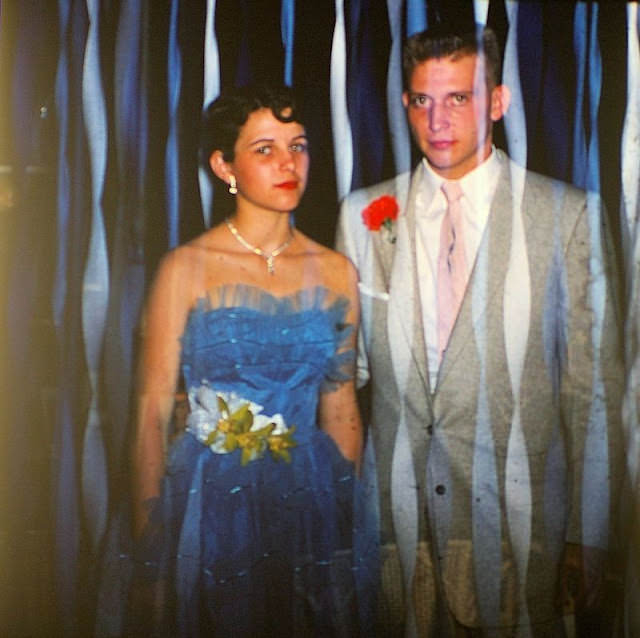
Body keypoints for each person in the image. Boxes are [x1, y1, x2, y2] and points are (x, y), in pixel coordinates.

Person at [336, 24, 624, 636]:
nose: (437, 121)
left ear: (496, 101)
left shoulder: (567, 215)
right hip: (397, 540)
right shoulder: (362, 216)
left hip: (520, 540)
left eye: (458, 98)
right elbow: (340, 376)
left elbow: (593, 392)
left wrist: (589, 535)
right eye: (422, 100)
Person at [126, 84, 377, 637]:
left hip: (308, 503)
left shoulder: (336, 270)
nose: (289, 164)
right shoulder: (185, 268)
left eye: (299, 146)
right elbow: (148, 416)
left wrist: (337, 527)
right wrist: (150, 548)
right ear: (224, 165)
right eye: (265, 150)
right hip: (208, 501)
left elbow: (340, 410)